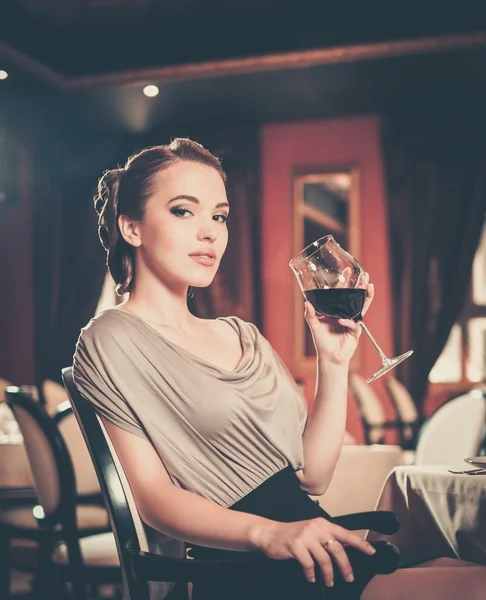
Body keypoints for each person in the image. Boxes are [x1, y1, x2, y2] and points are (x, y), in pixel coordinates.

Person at [73, 138, 486, 600]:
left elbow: (313, 477)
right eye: (184, 211)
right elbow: (153, 500)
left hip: (310, 539)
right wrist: (268, 535)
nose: (210, 232)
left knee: (465, 564)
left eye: (220, 215)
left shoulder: (243, 336)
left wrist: (334, 363)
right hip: (243, 565)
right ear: (132, 227)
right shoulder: (110, 338)